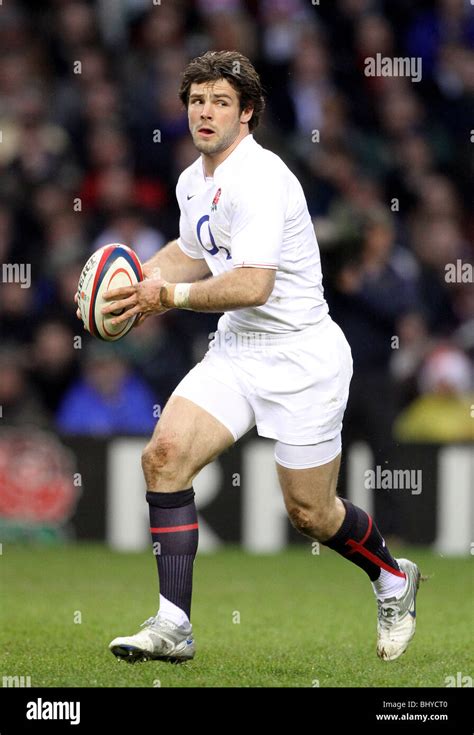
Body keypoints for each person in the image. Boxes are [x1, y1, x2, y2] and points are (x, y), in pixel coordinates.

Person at [80, 51, 422, 664]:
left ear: (248, 114)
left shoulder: (262, 180)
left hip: (302, 359)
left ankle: (393, 579)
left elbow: (252, 284)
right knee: (163, 457)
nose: (205, 112)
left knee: (311, 513)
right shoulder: (194, 180)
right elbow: (192, 249)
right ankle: (173, 625)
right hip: (238, 348)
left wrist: (169, 296)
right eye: (196, 101)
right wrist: (137, 282)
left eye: (220, 102)